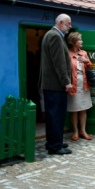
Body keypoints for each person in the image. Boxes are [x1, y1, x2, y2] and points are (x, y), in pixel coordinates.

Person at [39, 13, 73, 155]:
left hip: (53, 84)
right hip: (55, 85)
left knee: (56, 115)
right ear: (60, 23)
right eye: (68, 23)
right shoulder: (54, 36)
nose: (70, 27)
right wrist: (66, 82)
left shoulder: (54, 35)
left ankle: (55, 141)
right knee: (55, 115)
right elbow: (59, 63)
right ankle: (54, 145)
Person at [66, 32, 93, 141]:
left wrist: (87, 61)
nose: (81, 42)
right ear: (73, 42)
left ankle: (83, 131)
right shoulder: (68, 54)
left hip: (84, 84)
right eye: (79, 40)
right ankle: (76, 131)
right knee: (75, 109)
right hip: (74, 84)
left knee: (83, 108)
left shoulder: (84, 53)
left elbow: (89, 65)